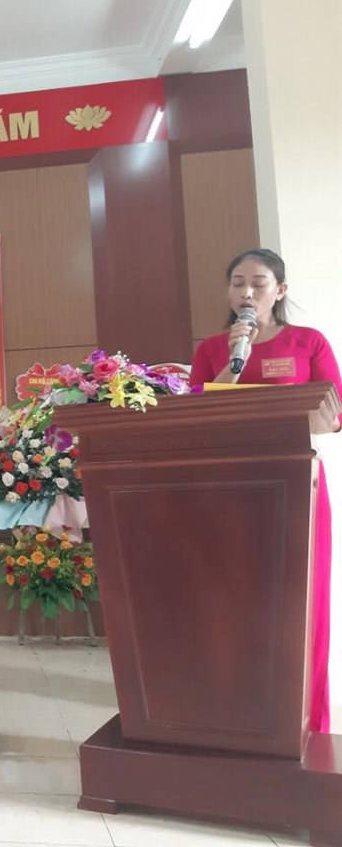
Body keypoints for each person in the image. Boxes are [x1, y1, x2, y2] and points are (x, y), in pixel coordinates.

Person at [191, 248, 339, 734]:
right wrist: (237, 362)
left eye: (258, 283)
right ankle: (237, 720)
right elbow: (196, 415)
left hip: (296, 484)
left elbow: (334, 413)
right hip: (230, 489)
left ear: (280, 290)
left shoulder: (308, 342)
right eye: (238, 283)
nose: (247, 292)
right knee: (233, 604)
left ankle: (308, 725)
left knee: (302, 604)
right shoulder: (213, 348)